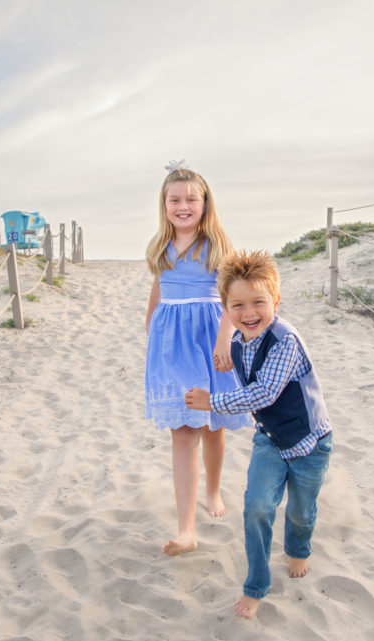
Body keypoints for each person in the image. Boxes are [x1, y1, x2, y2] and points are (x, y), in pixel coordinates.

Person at [185, 250, 332, 619]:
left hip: (309, 442)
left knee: (299, 512)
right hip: (269, 438)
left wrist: (211, 402)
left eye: (258, 303)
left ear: (276, 301)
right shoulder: (238, 342)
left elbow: (263, 393)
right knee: (257, 508)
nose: (248, 313)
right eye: (237, 305)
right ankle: (256, 584)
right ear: (226, 308)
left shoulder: (286, 341)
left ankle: (298, 549)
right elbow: (239, 370)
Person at [145, 162, 251, 558]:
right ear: (165, 205)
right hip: (172, 346)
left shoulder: (217, 247)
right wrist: (151, 325)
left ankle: (213, 488)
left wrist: (226, 340)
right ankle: (187, 529)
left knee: (213, 426)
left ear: (205, 204)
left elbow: (230, 298)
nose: (183, 205)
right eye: (175, 199)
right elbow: (158, 287)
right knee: (184, 430)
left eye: (192, 198)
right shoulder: (159, 246)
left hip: (209, 341)